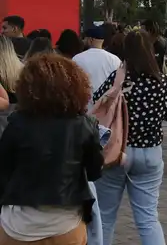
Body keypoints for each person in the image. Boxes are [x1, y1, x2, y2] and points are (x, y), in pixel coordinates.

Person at [0, 53, 103, 245]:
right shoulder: (84, 126)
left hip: (19, 225)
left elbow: (3, 171)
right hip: (66, 224)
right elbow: (94, 172)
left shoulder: (17, 124)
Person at [92, 31, 167, 245]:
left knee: (105, 216)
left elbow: (97, 102)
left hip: (117, 150)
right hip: (150, 153)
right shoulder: (162, 80)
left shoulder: (118, 78)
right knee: (148, 218)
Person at [73, 26, 120, 109]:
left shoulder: (77, 58)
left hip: (85, 107)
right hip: (107, 108)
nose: (83, 41)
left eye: (85, 39)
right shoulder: (115, 59)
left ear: (90, 40)